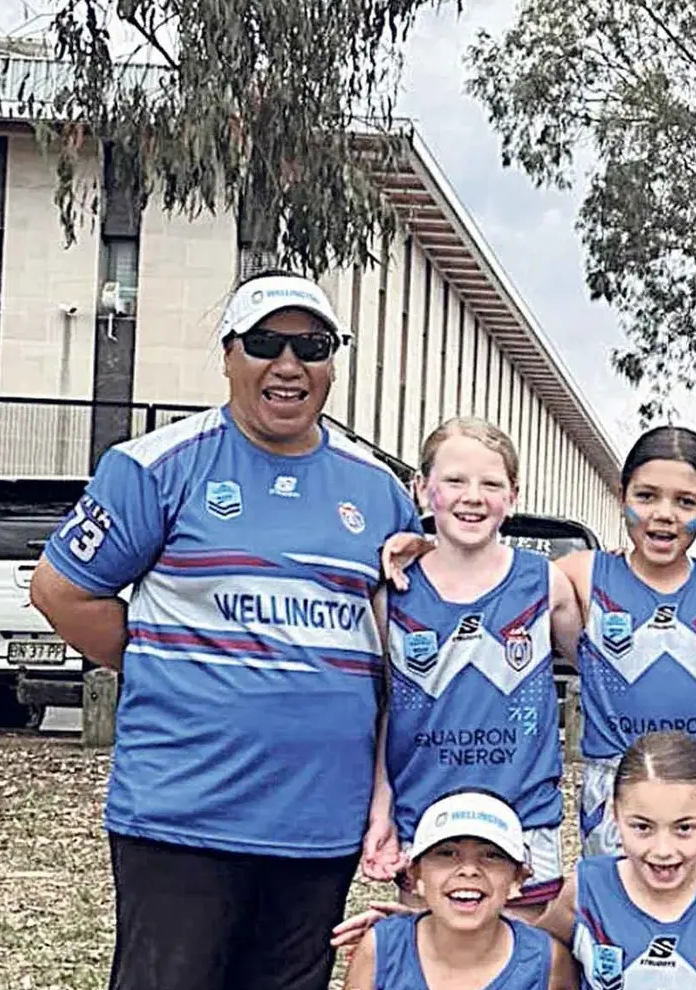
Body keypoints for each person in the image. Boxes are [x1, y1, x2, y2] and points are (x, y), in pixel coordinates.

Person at [29, 270, 418, 990]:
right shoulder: (154, 466)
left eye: (313, 346)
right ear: (229, 355)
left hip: (317, 825)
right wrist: (162, 663)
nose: (289, 365)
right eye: (266, 342)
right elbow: (61, 592)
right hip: (184, 814)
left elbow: (405, 644)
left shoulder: (381, 492)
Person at [337, 730, 696, 988]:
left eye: (685, 827)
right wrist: (426, 924)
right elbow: (517, 941)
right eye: (642, 826)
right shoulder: (586, 890)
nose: (664, 848)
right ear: (614, 816)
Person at [368, 417, 583, 914]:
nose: (473, 496)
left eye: (491, 483)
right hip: (426, 816)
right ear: (423, 489)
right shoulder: (392, 595)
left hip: (523, 817)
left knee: (515, 969)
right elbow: (385, 712)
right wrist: (382, 805)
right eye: (455, 480)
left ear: (512, 496)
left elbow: (600, 669)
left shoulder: (545, 585)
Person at [556, 426, 696, 870]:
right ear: (621, 493)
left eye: (686, 501)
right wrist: (422, 548)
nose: (664, 514)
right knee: (618, 915)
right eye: (646, 496)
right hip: (619, 783)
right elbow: (492, 578)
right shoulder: (581, 576)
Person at [341, 791, 577, 990]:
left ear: (518, 879)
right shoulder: (381, 950)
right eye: (447, 854)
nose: (469, 870)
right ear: (415, 875)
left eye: (491, 855)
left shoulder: (547, 962)